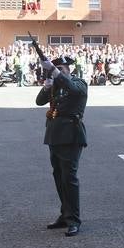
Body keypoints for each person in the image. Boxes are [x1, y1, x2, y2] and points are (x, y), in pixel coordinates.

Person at [36, 54, 88, 236]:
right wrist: (47, 84)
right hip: (54, 135)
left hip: (71, 135)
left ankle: (74, 219)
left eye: (63, 67)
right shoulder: (55, 86)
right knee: (58, 177)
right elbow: (39, 101)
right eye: (58, 67)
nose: (61, 69)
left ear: (69, 69)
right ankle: (65, 215)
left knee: (69, 178)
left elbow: (72, 89)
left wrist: (55, 73)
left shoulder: (79, 83)